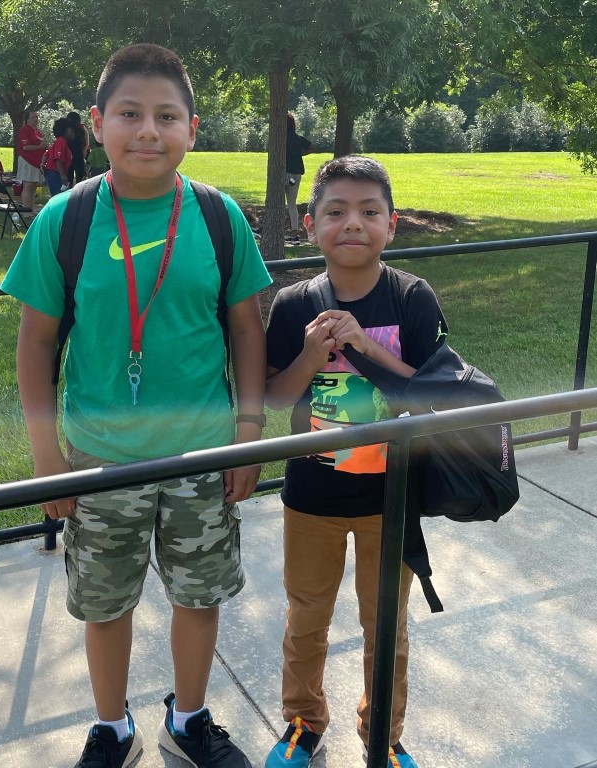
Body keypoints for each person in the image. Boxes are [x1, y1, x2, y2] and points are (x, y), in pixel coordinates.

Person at [0, 42, 272, 768]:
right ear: (96, 123)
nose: (147, 130)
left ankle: (187, 719)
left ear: (192, 127)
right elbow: (35, 344)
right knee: (104, 603)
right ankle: (111, 727)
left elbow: (247, 326)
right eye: (129, 114)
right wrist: (44, 455)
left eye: (165, 116)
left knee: (198, 596)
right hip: (96, 461)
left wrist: (248, 431)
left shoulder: (218, 218)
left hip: (203, 454)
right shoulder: (65, 219)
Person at [264, 156, 448, 768]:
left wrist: (366, 346)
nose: (353, 224)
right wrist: (313, 354)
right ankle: (302, 721)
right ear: (310, 224)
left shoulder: (412, 298)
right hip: (310, 496)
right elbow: (274, 399)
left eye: (370, 212)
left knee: (386, 625)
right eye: (335, 212)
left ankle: (384, 734)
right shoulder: (292, 306)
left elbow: (432, 392)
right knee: (306, 616)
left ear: (391, 226)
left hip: (390, 499)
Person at [284, 113, 316, 244]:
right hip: (296, 173)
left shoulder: (281, 138)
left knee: (277, 202)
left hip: (284, 173)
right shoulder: (298, 138)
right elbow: (313, 147)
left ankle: (274, 229)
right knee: (292, 204)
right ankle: (295, 234)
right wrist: (301, 153)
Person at [17, 109, 47, 208]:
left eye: (36, 117)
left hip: (36, 162)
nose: (35, 119)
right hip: (27, 161)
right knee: (28, 185)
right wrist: (39, 147)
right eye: (33, 117)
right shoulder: (24, 130)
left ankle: (31, 209)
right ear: (27, 119)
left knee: (34, 186)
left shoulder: (37, 131)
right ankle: (26, 211)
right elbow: (25, 147)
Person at [42, 116, 74, 196]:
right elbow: (57, 159)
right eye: (71, 130)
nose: (73, 133)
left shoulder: (59, 142)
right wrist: (63, 175)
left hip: (53, 173)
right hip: (55, 173)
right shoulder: (61, 141)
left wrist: (42, 164)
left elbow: (46, 153)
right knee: (58, 196)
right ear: (64, 131)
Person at [67, 111, 91, 185]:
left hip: (78, 152)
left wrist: (84, 151)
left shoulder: (81, 127)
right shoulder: (70, 128)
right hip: (74, 153)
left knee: (79, 174)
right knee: (73, 173)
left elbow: (86, 141)